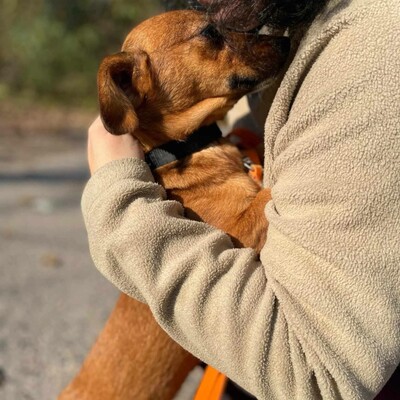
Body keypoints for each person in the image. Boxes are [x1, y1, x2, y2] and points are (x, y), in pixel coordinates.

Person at [83, 0, 400, 398]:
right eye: (210, 38)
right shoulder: (179, 198)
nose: (246, 40)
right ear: (132, 86)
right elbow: (255, 225)